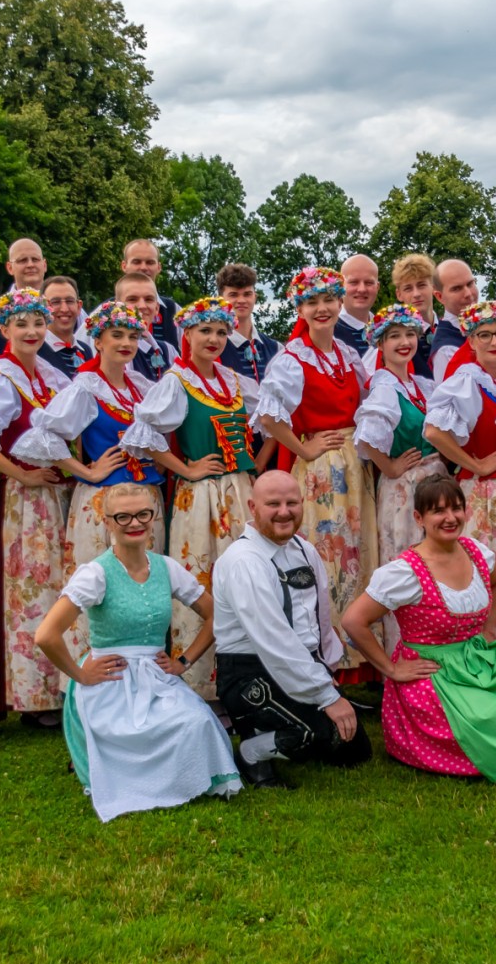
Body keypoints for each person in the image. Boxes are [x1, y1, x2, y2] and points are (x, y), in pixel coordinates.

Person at [340, 474, 496, 780]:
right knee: (481, 716)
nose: (450, 518)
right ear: (419, 517)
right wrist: (391, 670)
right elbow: (354, 621)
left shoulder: (476, 552)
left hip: (476, 655)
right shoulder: (404, 572)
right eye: (439, 511)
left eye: (456, 508)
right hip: (434, 672)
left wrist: (487, 631)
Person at [35, 483, 242, 821]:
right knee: (130, 733)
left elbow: (215, 615)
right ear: (108, 521)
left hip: (156, 675)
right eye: (123, 516)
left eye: (143, 514)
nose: (135, 523)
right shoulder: (96, 574)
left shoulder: (166, 567)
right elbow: (46, 635)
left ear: (154, 517)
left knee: (198, 722)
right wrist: (81, 674)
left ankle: (174, 778)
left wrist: (184, 661)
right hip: (109, 679)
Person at [17, 299, 165, 676]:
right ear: (97, 340)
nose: (126, 343)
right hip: (102, 501)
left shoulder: (143, 385)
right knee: (98, 588)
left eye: (133, 336)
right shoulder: (85, 385)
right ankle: (88, 675)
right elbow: (42, 437)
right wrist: (87, 470)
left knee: (142, 586)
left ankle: (142, 672)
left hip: (146, 496)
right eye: (117, 335)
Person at [121, 296, 258, 705]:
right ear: (187, 335)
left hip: (240, 490)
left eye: (220, 331)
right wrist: (186, 468)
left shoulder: (233, 381)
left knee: (245, 583)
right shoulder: (176, 381)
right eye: (205, 331)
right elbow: (141, 436)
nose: (214, 338)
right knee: (201, 582)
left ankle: (247, 680)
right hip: (201, 498)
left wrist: (254, 468)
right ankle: (201, 685)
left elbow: (270, 417)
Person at [0, 288, 75, 726]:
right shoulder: (3, 379)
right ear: (3, 329)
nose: (32, 331)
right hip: (29, 499)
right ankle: (34, 696)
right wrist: (18, 473)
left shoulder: (46, 374)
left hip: (56, 492)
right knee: (33, 590)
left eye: (38, 323)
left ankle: (59, 687)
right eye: (21, 324)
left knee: (57, 585)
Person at [254, 265, 377, 681]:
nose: (321, 308)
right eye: (312, 302)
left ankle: (357, 656)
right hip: (320, 470)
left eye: (328, 300)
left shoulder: (348, 355)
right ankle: (323, 659)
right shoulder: (291, 358)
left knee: (356, 552)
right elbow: (270, 416)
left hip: (354, 466)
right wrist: (304, 447)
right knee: (325, 554)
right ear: (300, 309)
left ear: (340, 303)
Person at [212, 471, 372, 787]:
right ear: (252, 507)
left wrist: (327, 664)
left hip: (298, 665)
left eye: (291, 503)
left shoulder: (303, 549)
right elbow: (274, 642)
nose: (284, 512)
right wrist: (327, 696)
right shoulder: (244, 561)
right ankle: (250, 750)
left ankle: (279, 727)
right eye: (273, 504)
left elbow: (321, 615)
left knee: (353, 750)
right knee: (314, 733)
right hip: (249, 673)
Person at [423, 300, 496, 640]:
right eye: (483, 335)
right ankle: (486, 648)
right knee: (495, 574)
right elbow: (434, 431)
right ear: (470, 341)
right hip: (489, 496)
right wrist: (475, 464)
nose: (493, 341)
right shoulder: (467, 380)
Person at [354, 302, 443, 651]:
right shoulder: (384, 385)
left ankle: (435, 644)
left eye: (409, 334)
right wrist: (388, 466)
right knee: (407, 563)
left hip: (430, 482)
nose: (404, 342)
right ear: (380, 344)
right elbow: (366, 433)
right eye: (394, 337)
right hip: (403, 489)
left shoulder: (421, 384)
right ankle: (403, 652)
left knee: (432, 564)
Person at [216, 261, 280, 470]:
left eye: (247, 294)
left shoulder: (276, 348)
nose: (241, 300)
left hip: (277, 444)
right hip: (231, 446)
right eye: (233, 294)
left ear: (255, 297)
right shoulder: (215, 349)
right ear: (222, 299)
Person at [0, 238, 50, 361]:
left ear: (44, 265)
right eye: (22, 260)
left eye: (35, 259)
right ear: (9, 267)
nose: (30, 264)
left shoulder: (65, 309)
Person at [115, 271, 179, 380]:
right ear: (117, 306)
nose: (142, 306)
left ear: (157, 308)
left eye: (148, 299)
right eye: (133, 299)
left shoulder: (169, 351)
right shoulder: (111, 350)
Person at [123, 238, 182, 353]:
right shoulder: (105, 312)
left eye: (150, 262)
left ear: (159, 267)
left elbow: (191, 352)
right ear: (124, 266)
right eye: (137, 262)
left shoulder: (174, 310)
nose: (144, 267)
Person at [428, 259, 481, 381]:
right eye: (457, 289)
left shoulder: (483, 328)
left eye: (470, 284)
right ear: (439, 296)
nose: (468, 293)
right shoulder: (447, 350)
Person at [392, 252, 438, 377]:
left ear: (433, 287)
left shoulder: (450, 329)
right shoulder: (393, 339)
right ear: (399, 294)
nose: (416, 294)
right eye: (408, 288)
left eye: (421, 285)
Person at [38, 275, 92, 377]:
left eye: (69, 301)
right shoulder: (36, 350)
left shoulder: (85, 351)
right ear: (42, 307)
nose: (64, 309)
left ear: (79, 306)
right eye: (55, 302)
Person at [333, 253, 380, 357]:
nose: (362, 289)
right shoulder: (328, 333)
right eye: (354, 282)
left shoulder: (388, 329)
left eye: (368, 283)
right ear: (341, 286)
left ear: (377, 287)